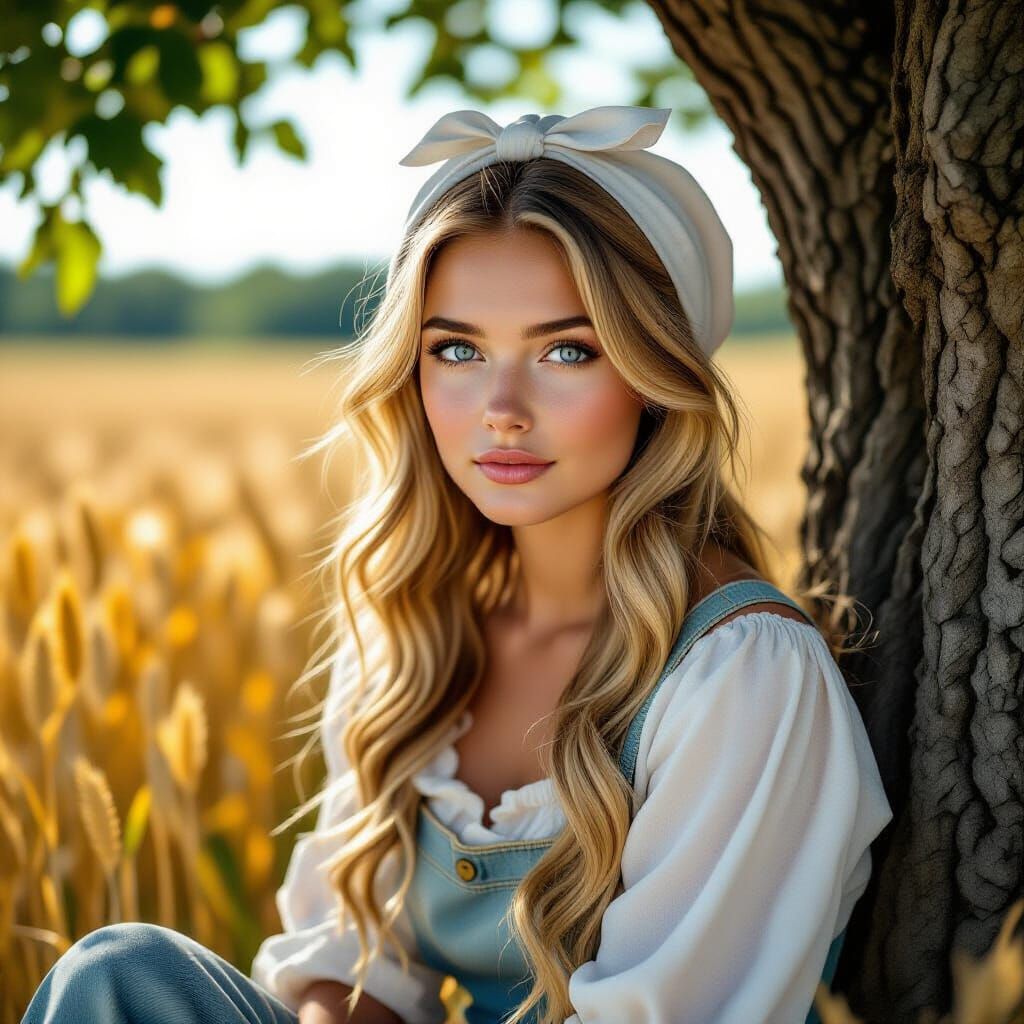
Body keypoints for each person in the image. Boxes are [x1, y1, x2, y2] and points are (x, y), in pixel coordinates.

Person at [20, 105, 893, 1024]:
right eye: (458, 350)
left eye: (566, 350)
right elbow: (352, 962)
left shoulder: (741, 674)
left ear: (651, 374)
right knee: (119, 974)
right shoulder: (413, 634)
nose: (502, 409)